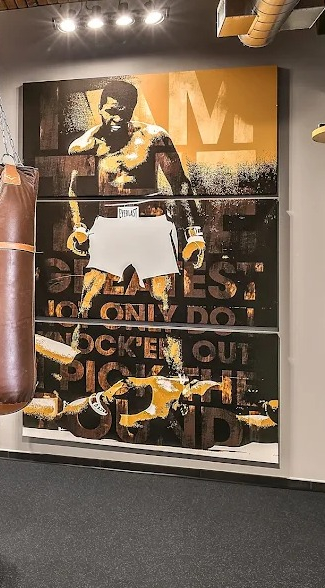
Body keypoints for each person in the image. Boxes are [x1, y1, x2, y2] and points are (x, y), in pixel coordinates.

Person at [64, 80, 206, 376]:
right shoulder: (85, 145)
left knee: (164, 299)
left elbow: (180, 183)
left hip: (150, 222)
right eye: (111, 111)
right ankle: (70, 362)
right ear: (100, 107)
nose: (117, 119)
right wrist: (79, 226)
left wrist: (194, 233)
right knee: (88, 295)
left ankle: (176, 369)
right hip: (109, 223)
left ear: (132, 110)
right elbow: (75, 189)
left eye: (124, 112)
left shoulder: (154, 138)